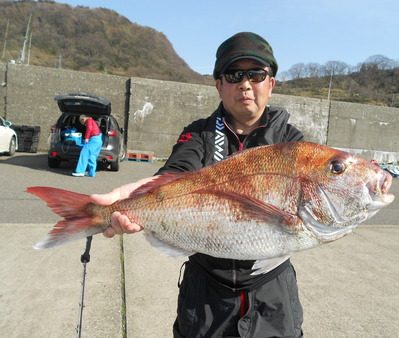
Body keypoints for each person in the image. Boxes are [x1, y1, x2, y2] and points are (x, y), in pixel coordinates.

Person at [92, 32, 304, 337]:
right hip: (205, 294)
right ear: (219, 84)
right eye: (234, 74)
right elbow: (177, 172)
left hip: (273, 294)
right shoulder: (199, 134)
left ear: (270, 83)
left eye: (256, 74)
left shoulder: (293, 145)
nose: (245, 84)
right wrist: (132, 197)